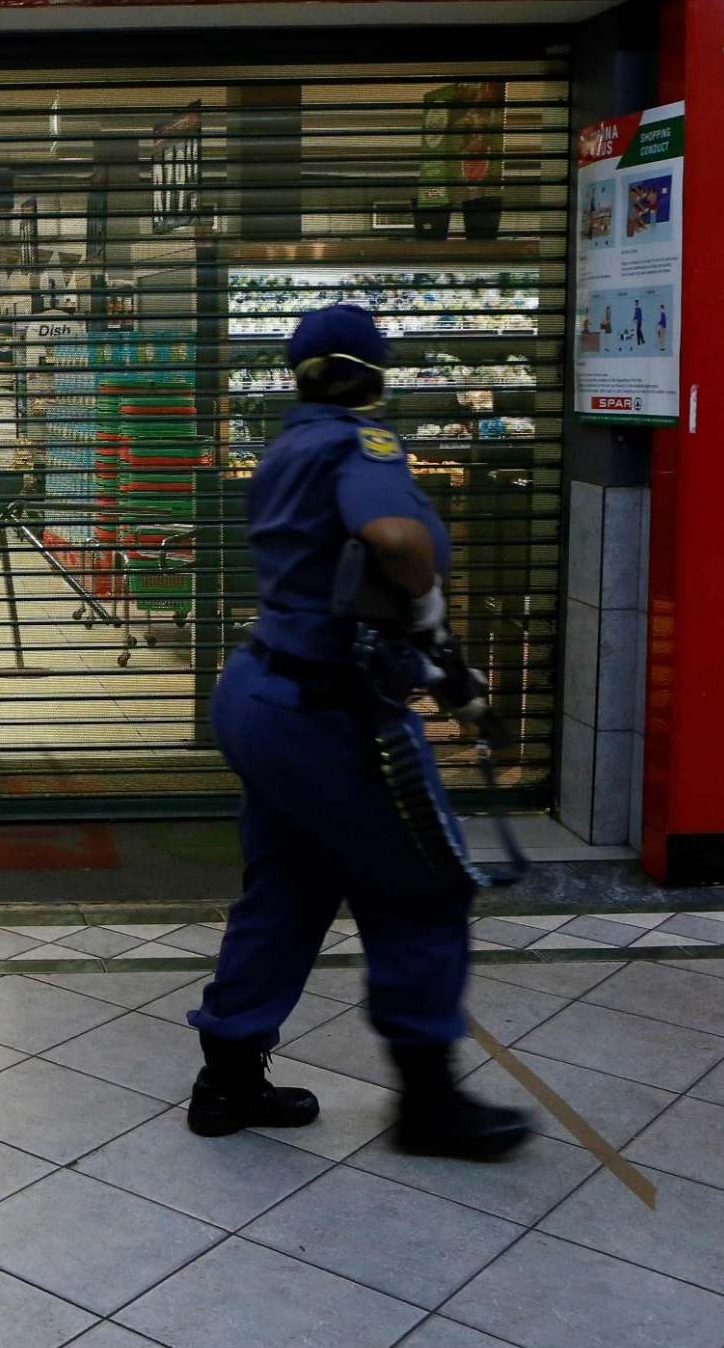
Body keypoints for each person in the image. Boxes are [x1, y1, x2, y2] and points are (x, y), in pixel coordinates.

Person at [184, 303, 530, 1162]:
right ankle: (428, 1104)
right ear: (376, 372)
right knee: (423, 888)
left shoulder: (285, 447)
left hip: (262, 692)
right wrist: (425, 603)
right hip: (329, 712)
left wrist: (430, 654)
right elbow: (395, 537)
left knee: (291, 883)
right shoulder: (360, 445)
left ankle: (227, 1078)